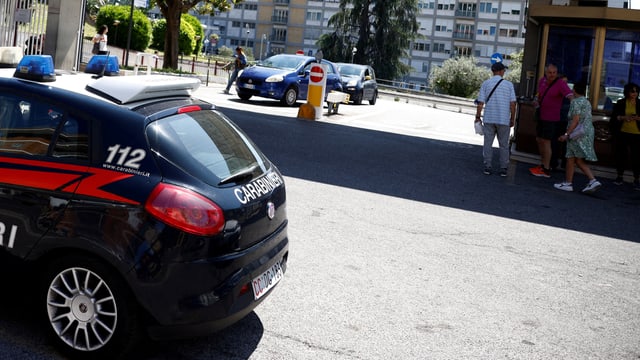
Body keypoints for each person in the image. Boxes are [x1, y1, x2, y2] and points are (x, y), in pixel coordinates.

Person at [553, 82, 602, 194]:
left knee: (570, 157)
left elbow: (575, 121)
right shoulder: (587, 102)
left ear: (574, 90)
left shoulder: (575, 102)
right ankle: (592, 180)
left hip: (576, 134)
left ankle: (569, 183)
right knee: (578, 159)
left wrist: (566, 134)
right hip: (587, 132)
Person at [529, 64, 574, 178]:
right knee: (539, 139)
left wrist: (578, 108)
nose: (552, 74)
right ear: (545, 73)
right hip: (541, 115)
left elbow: (570, 96)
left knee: (546, 141)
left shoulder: (560, 83)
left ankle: (546, 169)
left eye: (554, 72)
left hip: (552, 118)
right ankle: (543, 164)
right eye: (550, 72)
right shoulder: (542, 81)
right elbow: (539, 94)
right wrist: (536, 101)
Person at [475, 62, 516, 177]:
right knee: (504, 145)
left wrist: (477, 117)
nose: (504, 72)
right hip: (503, 120)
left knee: (488, 143)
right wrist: (512, 118)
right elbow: (513, 104)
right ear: (501, 71)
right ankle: (503, 168)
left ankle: (488, 166)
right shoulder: (509, 85)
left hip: (489, 118)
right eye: (504, 70)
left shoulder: (486, 84)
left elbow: (480, 103)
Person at [609, 82, 640, 189]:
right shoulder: (621, 102)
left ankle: (636, 178)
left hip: (637, 133)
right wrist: (623, 117)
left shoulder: (639, 103)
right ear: (627, 92)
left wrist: (638, 118)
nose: (635, 93)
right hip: (622, 132)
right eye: (632, 91)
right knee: (621, 155)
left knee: (636, 157)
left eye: (636, 91)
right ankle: (619, 176)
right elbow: (614, 117)